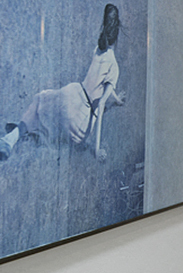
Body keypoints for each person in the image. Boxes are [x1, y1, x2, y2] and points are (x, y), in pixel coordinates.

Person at [0, 4, 126, 163]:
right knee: (73, 142)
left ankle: (11, 139)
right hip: (81, 121)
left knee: (40, 101)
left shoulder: (98, 51)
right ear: (119, 32)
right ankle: (32, 136)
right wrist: (97, 149)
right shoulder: (114, 67)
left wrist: (117, 99)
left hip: (71, 96)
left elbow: (99, 84)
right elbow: (100, 104)